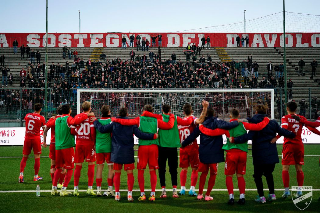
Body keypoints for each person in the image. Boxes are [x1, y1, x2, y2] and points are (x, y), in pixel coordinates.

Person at [198, 108, 270, 205]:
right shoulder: (243, 124)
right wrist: (266, 119)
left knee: (229, 176)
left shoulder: (226, 127)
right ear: (239, 116)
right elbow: (258, 127)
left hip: (231, 153)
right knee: (240, 175)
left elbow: (212, 133)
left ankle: (231, 197)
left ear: (230, 116)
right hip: (243, 153)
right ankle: (242, 196)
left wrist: (201, 127)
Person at [232, 105, 296, 203]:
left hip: (259, 154)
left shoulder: (255, 123)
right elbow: (283, 131)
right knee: (269, 174)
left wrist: (235, 139)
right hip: (271, 153)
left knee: (257, 176)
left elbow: (248, 136)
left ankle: (261, 197)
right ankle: (272, 194)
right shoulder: (273, 122)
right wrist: (293, 134)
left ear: (256, 112)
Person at [112, 104, 175, 201]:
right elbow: (169, 126)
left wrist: (116, 120)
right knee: (152, 170)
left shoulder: (139, 119)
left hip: (143, 148)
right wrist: (171, 117)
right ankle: (153, 194)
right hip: (154, 147)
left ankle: (142, 194)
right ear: (152, 112)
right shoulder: (156, 120)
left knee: (141, 171)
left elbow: (127, 122)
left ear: (144, 111)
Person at [94, 107, 158, 202]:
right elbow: (140, 134)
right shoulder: (131, 123)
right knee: (130, 174)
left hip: (117, 152)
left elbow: (102, 129)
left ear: (119, 114)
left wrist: (95, 120)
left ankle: (117, 195)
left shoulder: (115, 122)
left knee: (117, 174)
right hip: (128, 151)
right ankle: (129, 195)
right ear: (127, 114)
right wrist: (152, 136)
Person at [181, 107, 239, 201]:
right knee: (213, 173)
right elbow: (228, 125)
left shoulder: (202, 124)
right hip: (215, 152)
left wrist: (183, 144)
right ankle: (207, 195)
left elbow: (192, 136)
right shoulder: (217, 122)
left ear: (206, 115)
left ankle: (200, 194)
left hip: (204, 152)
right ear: (214, 114)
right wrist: (237, 122)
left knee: (203, 173)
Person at [275, 102, 320, 199]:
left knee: (285, 168)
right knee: (299, 168)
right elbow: (311, 128)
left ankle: (286, 191)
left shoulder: (285, 118)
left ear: (287, 108)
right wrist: (319, 134)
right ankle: (299, 191)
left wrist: (276, 138)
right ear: (296, 109)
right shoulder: (301, 118)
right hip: (299, 145)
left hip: (289, 145)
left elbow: (284, 130)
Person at [51, 104, 90, 196]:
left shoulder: (57, 119)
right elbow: (75, 122)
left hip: (58, 147)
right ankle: (64, 189)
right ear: (69, 111)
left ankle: (54, 188)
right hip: (67, 147)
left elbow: (49, 124)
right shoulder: (68, 118)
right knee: (70, 168)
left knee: (58, 168)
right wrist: (85, 115)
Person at [177, 102, 208, 196]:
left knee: (184, 169)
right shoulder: (192, 119)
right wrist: (205, 108)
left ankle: (182, 189)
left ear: (183, 112)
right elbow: (200, 121)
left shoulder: (180, 122)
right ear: (192, 111)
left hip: (183, 148)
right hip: (192, 148)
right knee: (194, 169)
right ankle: (192, 189)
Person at [72, 101, 96, 196]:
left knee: (78, 166)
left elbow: (72, 130)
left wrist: (79, 135)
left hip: (79, 143)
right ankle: (89, 188)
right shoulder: (91, 118)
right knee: (91, 165)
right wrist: (94, 142)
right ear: (90, 108)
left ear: (82, 108)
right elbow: (93, 132)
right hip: (89, 143)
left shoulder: (77, 117)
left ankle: (75, 189)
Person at [19, 103, 46, 183]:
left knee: (24, 157)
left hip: (27, 137)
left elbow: (26, 122)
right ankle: (36, 176)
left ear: (34, 108)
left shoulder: (27, 115)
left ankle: (21, 175)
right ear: (40, 109)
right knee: (37, 157)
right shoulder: (41, 118)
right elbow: (44, 129)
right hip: (36, 138)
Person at [43, 106, 66, 188]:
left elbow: (45, 129)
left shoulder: (53, 119)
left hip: (53, 144)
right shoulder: (66, 119)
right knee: (63, 165)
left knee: (53, 165)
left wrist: (44, 141)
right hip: (63, 144)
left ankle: (54, 183)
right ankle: (61, 182)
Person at [94, 105, 114, 196]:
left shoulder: (96, 121)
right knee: (111, 168)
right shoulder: (111, 121)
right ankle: (110, 188)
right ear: (109, 112)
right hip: (108, 148)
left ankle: (98, 189)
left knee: (99, 168)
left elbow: (93, 134)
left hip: (99, 147)